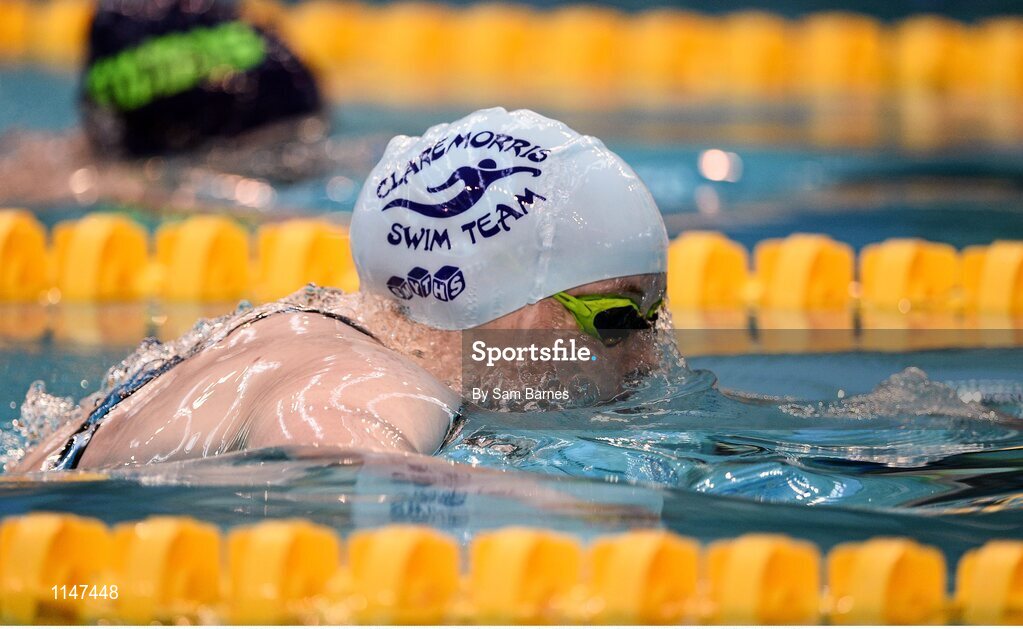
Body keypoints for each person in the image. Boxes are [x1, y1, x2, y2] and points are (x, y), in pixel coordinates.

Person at [10, 108, 670, 471]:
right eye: (617, 319)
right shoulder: (367, 388)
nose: (647, 360)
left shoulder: (319, 324)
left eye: (653, 317)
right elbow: (338, 462)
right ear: (499, 299)